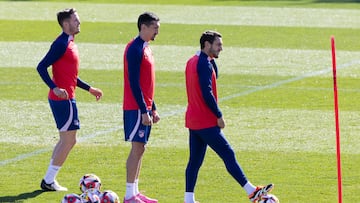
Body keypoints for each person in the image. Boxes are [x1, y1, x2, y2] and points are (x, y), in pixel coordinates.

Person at [184, 30, 274, 203]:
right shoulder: (204, 64)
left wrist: (212, 61)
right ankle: (251, 192)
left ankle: (189, 199)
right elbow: (206, 92)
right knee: (228, 153)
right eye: (218, 45)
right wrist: (219, 115)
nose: (221, 49)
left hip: (193, 120)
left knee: (194, 161)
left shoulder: (193, 61)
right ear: (207, 44)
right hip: (206, 121)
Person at [36, 8, 103, 191]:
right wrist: (54, 88)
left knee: (65, 140)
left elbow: (71, 75)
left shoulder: (70, 42)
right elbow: (41, 67)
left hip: (66, 98)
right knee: (69, 140)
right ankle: (49, 180)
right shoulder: (61, 43)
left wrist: (89, 89)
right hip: (63, 100)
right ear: (66, 24)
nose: (79, 23)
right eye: (75, 20)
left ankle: (49, 179)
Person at [122, 12, 160, 203]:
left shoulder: (146, 48)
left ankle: (135, 192)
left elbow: (147, 83)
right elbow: (134, 83)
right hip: (136, 107)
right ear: (143, 27)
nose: (157, 32)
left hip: (144, 106)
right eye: (155, 28)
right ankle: (129, 195)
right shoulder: (134, 49)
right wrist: (144, 110)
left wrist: (153, 107)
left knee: (141, 148)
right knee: (137, 148)